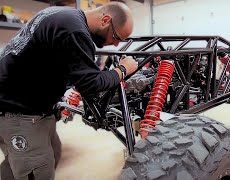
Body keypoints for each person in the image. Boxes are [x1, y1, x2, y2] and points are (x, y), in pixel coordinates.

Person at [0, 2, 138, 179]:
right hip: (19, 112)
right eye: (116, 37)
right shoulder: (75, 30)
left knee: (46, 155)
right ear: (105, 20)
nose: (116, 45)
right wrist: (123, 70)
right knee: (37, 169)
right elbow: (91, 84)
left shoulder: (62, 14)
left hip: (24, 105)